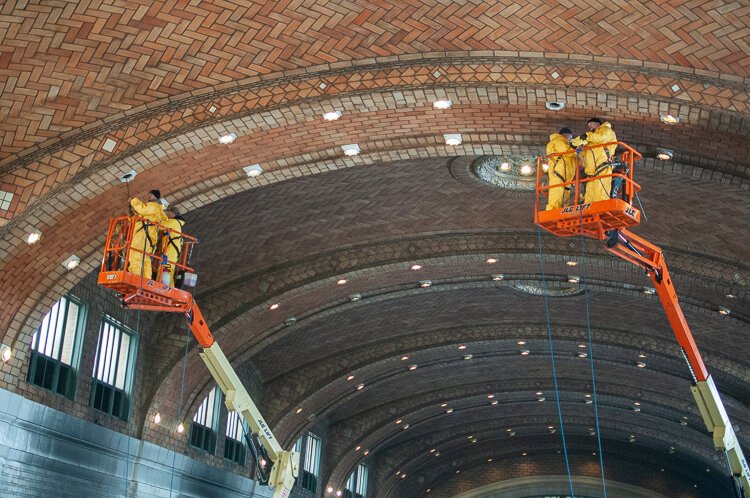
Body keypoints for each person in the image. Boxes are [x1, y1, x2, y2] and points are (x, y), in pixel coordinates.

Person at [571, 118, 617, 204]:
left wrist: (586, 136)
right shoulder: (591, 141)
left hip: (603, 169)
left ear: (598, 124)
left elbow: (601, 138)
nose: (590, 127)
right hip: (591, 175)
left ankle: (602, 212)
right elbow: (583, 155)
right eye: (588, 126)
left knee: (601, 195)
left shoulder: (606, 130)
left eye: (591, 124)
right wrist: (576, 148)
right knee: (589, 200)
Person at [128, 189, 167, 279]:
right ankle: (146, 279)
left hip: (143, 236)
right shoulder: (158, 210)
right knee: (145, 259)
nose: (149, 196)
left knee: (135, 255)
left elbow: (143, 210)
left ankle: (135, 278)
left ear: (155, 197)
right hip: (148, 237)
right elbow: (144, 215)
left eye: (151, 195)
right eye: (149, 194)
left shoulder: (154, 206)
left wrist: (133, 201)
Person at [545, 127, 576, 210]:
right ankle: (552, 210)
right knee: (557, 190)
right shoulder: (558, 140)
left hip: (566, 175)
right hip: (558, 172)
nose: (570, 140)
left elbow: (574, 159)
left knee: (564, 192)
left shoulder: (564, 144)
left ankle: (563, 209)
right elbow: (565, 150)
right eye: (570, 138)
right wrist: (577, 151)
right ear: (566, 135)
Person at [161, 206, 186, 287]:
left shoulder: (173, 222)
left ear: (172, 213)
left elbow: (160, 225)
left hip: (171, 249)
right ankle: (170, 288)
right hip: (172, 250)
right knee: (169, 269)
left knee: (166, 268)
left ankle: (166, 289)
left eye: (167, 212)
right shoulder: (176, 222)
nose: (166, 214)